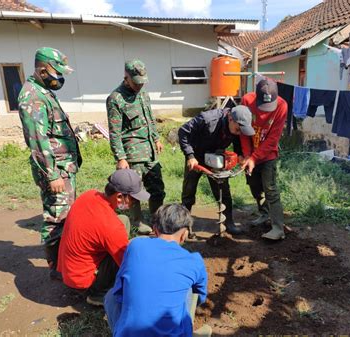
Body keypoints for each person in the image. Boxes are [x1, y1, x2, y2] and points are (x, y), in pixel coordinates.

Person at [18, 47, 81, 279]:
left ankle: (64, 261)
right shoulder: (33, 96)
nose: (60, 78)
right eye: (57, 72)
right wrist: (52, 174)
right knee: (56, 217)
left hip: (64, 167)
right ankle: (56, 268)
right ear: (43, 70)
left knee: (66, 215)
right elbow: (37, 139)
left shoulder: (43, 92)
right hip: (55, 171)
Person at [104, 204, 209, 336]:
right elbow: (200, 296)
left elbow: (120, 290)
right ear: (185, 234)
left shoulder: (135, 246)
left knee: (110, 296)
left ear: (155, 229)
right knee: (189, 290)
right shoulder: (194, 261)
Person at [57, 169, 150, 306]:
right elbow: (129, 265)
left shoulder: (89, 195)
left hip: (69, 269)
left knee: (123, 219)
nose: (135, 203)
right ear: (119, 197)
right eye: (134, 200)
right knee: (133, 252)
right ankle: (98, 294)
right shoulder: (110, 226)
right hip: (85, 282)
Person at [106, 59, 165, 234]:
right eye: (136, 82)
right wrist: (121, 158)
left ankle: (156, 220)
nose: (140, 86)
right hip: (132, 154)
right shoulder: (115, 99)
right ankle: (136, 224)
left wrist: (156, 138)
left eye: (142, 82)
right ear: (126, 78)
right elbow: (114, 132)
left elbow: (150, 118)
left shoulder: (143, 94)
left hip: (150, 152)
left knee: (158, 189)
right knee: (132, 192)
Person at [178, 105, 255, 235]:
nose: (240, 132)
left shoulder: (236, 127)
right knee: (189, 191)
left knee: (223, 190)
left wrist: (240, 155)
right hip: (196, 156)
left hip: (216, 156)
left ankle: (229, 222)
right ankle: (185, 226)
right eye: (238, 129)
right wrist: (190, 156)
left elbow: (236, 138)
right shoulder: (207, 119)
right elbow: (183, 132)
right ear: (230, 118)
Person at [240, 79, 288, 240]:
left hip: (268, 155)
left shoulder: (282, 106)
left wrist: (255, 157)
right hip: (250, 154)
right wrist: (248, 155)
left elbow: (273, 139)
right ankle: (264, 214)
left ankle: (278, 228)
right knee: (254, 186)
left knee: (270, 189)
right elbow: (243, 131)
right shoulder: (247, 101)